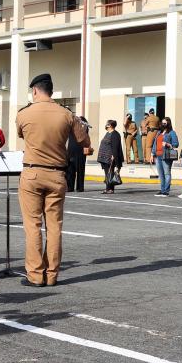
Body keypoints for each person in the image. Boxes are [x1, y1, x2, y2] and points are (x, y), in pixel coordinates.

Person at [16, 73, 91, 287]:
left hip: (32, 173)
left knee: (32, 226)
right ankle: (51, 275)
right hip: (57, 174)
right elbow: (83, 140)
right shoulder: (66, 114)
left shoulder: (24, 114)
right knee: (54, 227)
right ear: (52, 90)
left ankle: (35, 275)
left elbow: (21, 135)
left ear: (35, 91)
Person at [151, 116, 179, 197]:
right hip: (158, 156)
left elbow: (176, 144)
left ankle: (166, 191)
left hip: (166, 156)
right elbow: (154, 144)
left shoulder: (172, 133)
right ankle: (162, 189)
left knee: (167, 173)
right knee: (161, 174)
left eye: (165, 123)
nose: (163, 124)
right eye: (162, 123)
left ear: (168, 124)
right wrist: (152, 154)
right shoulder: (159, 132)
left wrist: (167, 144)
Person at [97, 119, 124, 194]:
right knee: (107, 173)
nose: (106, 125)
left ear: (110, 125)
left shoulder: (115, 134)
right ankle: (108, 188)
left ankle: (110, 189)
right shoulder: (108, 133)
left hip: (110, 158)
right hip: (104, 158)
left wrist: (114, 156)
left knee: (110, 173)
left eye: (107, 124)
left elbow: (115, 147)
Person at [65, 115, 89, 193]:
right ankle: (70, 187)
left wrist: (83, 124)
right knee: (70, 170)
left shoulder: (84, 128)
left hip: (80, 151)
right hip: (71, 151)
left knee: (80, 170)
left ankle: (80, 187)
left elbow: (84, 136)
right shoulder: (71, 127)